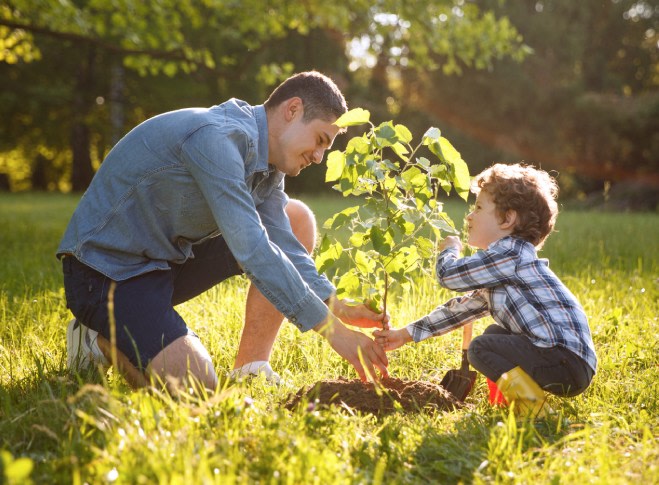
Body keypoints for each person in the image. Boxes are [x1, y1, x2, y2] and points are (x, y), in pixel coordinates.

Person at [58, 71, 389, 391]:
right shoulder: (217, 139)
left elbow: (282, 242)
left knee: (295, 218)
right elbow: (253, 249)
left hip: (163, 262)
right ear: (292, 110)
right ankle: (97, 339)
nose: (318, 157)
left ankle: (251, 368)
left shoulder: (268, 166)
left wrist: (335, 303)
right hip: (105, 273)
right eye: (320, 140)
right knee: (197, 387)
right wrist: (333, 331)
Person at [374, 163, 596, 417]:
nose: (469, 216)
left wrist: (450, 250)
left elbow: (449, 276)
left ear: (507, 219)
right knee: (494, 334)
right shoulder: (505, 268)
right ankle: (511, 404)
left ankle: (535, 412)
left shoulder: (510, 253)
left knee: (481, 348)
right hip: (569, 362)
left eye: (478, 208)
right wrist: (405, 334)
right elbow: (460, 311)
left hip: (563, 359)